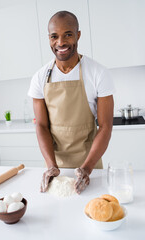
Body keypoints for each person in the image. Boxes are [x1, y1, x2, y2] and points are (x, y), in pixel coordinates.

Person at [27, 11, 115, 194]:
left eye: (68, 34)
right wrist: (51, 166)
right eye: (54, 36)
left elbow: (105, 126)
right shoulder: (39, 77)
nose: (60, 42)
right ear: (49, 39)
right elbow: (42, 126)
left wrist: (87, 169)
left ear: (78, 35)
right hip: (55, 165)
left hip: (90, 162)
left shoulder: (98, 73)